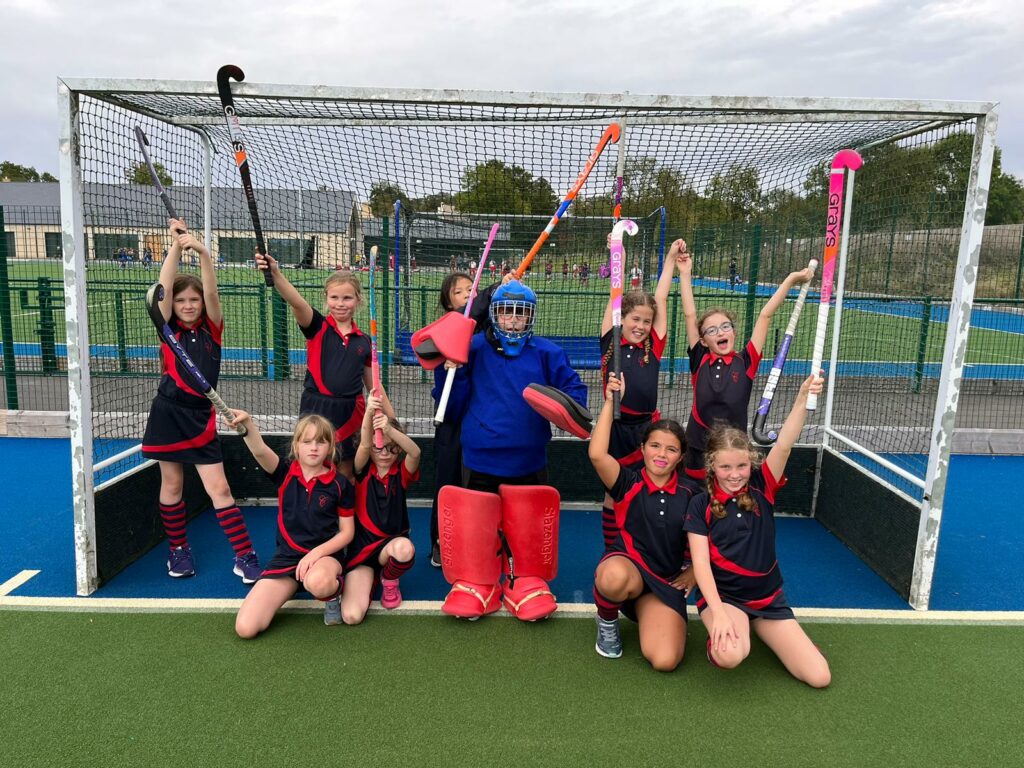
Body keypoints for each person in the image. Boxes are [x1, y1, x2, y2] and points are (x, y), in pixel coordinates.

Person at [440, 280, 588, 621]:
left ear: (531, 317)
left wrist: (563, 406)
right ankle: (480, 581)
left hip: (529, 457)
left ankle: (526, 580)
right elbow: (451, 407)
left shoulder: (548, 353)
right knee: (478, 522)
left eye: (521, 313)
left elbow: (574, 395)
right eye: (506, 312)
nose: (513, 320)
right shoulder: (472, 348)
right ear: (493, 314)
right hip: (480, 455)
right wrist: (453, 372)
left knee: (528, 524)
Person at [685, 371, 831, 688]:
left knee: (820, 677)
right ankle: (728, 631)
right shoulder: (700, 505)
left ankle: (769, 631)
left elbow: (786, 444)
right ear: (711, 466)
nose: (735, 474)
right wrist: (719, 614)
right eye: (725, 467)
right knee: (731, 655)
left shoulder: (762, 486)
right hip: (725, 598)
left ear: (750, 463)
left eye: (741, 466)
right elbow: (700, 565)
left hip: (768, 600)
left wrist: (802, 398)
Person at [141, 219, 261, 583]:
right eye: (181, 301)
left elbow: (212, 295)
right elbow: (161, 289)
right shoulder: (167, 329)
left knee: (220, 489)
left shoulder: (213, 328)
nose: (189, 305)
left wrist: (204, 253)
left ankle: (244, 556)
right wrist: (176, 247)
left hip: (200, 418)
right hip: (167, 413)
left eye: (192, 300)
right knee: (173, 486)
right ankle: (178, 550)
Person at [589, 374, 700, 669]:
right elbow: (597, 454)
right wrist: (611, 402)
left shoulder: (694, 493)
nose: (661, 454)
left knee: (665, 661)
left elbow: (709, 541)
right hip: (630, 571)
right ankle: (607, 621)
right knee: (613, 577)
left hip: (665, 582)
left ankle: (647, 612)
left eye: (671, 449)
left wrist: (693, 573)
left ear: (681, 457)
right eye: (655, 446)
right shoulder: (628, 481)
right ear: (643, 449)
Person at [676, 240, 813, 478]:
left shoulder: (746, 361)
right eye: (711, 330)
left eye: (725, 326)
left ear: (734, 332)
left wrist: (790, 279)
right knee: (695, 503)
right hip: (697, 447)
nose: (720, 332)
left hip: (733, 451)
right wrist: (685, 274)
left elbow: (765, 315)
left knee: (728, 501)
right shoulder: (699, 360)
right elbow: (690, 314)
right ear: (702, 340)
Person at [255, 252, 394, 482]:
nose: (340, 304)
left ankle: (345, 518)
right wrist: (275, 273)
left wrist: (392, 418)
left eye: (347, 298)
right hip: (315, 407)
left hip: (351, 412)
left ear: (358, 300)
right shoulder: (317, 326)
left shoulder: (364, 342)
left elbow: (375, 388)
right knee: (311, 468)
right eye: (335, 297)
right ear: (326, 298)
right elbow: (296, 301)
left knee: (345, 472)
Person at [229, 411, 355, 636]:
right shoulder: (284, 474)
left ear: (330, 447)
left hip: (324, 558)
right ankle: (294, 584)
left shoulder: (340, 484)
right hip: (287, 560)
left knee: (318, 583)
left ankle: (332, 594)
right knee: (245, 628)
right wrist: (247, 425)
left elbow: (347, 533)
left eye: (321, 441)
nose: (314, 447)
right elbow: (259, 450)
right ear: (297, 446)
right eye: (307, 441)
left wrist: (314, 555)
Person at [597, 251, 678, 550]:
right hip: (615, 429)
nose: (641, 326)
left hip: (646, 430)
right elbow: (614, 296)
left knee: (647, 489)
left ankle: (643, 544)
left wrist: (669, 262)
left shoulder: (653, 347)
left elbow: (661, 298)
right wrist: (618, 256)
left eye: (647, 321)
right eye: (635, 319)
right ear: (622, 318)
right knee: (613, 492)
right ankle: (612, 547)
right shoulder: (610, 341)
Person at [340, 392, 421, 623]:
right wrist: (368, 412)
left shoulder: (402, 474)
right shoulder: (363, 471)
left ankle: (388, 578)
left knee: (405, 549)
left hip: (390, 548)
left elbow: (415, 452)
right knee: (352, 616)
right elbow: (366, 443)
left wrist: (389, 430)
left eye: (391, 448)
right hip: (363, 552)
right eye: (379, 448)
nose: (385, 453)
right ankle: (366, 578)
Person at [428, 272, 474, 568]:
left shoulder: (483, 330)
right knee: (447, 483)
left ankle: (471, 542)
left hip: (477, 421)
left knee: (474, 487)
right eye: (459, 292)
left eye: (471, 289)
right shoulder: (441, 332)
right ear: (448, 301)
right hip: (450, 422)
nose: (468, 295)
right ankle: (439, 542)